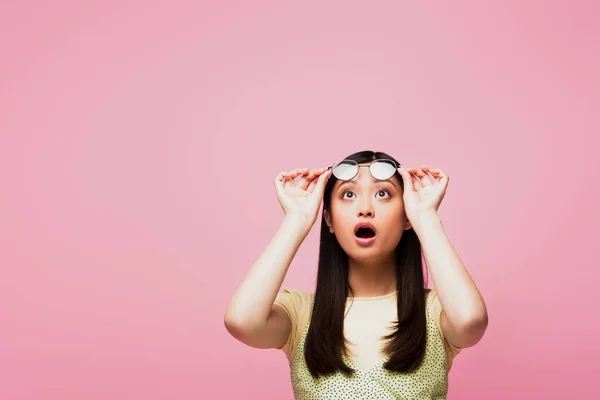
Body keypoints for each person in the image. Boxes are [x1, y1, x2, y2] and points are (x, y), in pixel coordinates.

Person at [224, 150, 488, 399]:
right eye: (348, 195)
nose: (365, 208)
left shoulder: (436, 311)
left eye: (383, 193)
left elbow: (470, 323)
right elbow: (242, 322)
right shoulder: (302, 313)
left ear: (406, 214)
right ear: (329, 219)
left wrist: (426, 218)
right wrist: (296, 219)